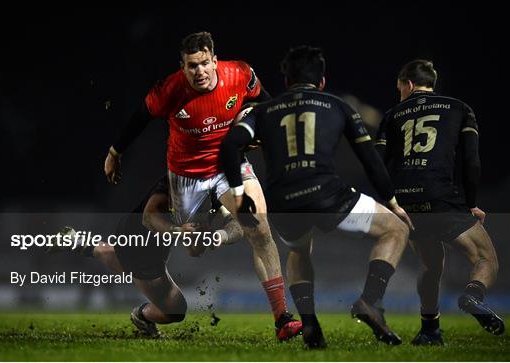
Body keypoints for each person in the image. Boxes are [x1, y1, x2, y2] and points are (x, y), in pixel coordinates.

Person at [103, 31, 302, 340]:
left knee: (259, 226)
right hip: (186, 177)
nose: (200, 72)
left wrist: (264, 129)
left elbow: (268, 105)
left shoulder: (241, 74)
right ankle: (213, 238)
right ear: (182, 67)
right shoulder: (169, 90)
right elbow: (140, 118)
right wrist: (115, 153)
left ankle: (282, 318)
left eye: (204, 63)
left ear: (215, 59)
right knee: (194, 247)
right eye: (192, 66)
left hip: (228, 165)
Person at [220, 45, 413, 348]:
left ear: (286, 82)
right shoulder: (337, 105)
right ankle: (370, 301)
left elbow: (230, 145)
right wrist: (392, 203)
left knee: (299, 251)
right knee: (395, 229)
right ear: (321, 81)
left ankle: (309, 324)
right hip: (326, 195)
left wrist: (240, 195)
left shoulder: (263, 110)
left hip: (281, 203)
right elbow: (370, 159)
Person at [375, 59, 504, 345]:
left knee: (431, 265)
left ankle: (429, 330)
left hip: (406, 201)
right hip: (441, 196)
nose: (400, 94)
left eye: (400, 89)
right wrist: (471, 202)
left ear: (408, 84)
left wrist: (389, 201)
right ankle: (472, 297)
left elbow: (378, 164)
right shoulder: (459, 108)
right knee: (486, 259)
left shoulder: (392, 114)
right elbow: (471, 161)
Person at [50, 176, 244, 337]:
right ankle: (141, 315)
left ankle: (76, 242)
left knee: (126, 266)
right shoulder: (178, 179)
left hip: (153, 243)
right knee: (175, 309)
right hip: (140, 238)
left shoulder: (217, 189)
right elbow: (149, 218)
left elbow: (236, 226)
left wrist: (221, 236)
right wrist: (180, 232)